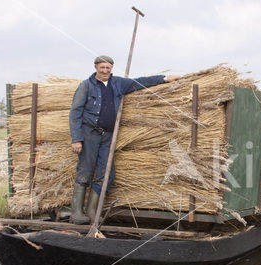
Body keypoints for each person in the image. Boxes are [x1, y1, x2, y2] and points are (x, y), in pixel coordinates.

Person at [68, 55, 179, 224]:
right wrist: (76, 139)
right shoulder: (86, 86)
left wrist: (164, 79)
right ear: (96, 67)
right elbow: (75, 113)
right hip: (89, 133)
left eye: (108, 67)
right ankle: (76, 213)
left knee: (106, 172)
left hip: (108, 135)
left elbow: (140, 82)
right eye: (102, 67)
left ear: (111, 68)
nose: (105, 70)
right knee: (86, 169)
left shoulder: (118, 83)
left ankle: (91, 211)